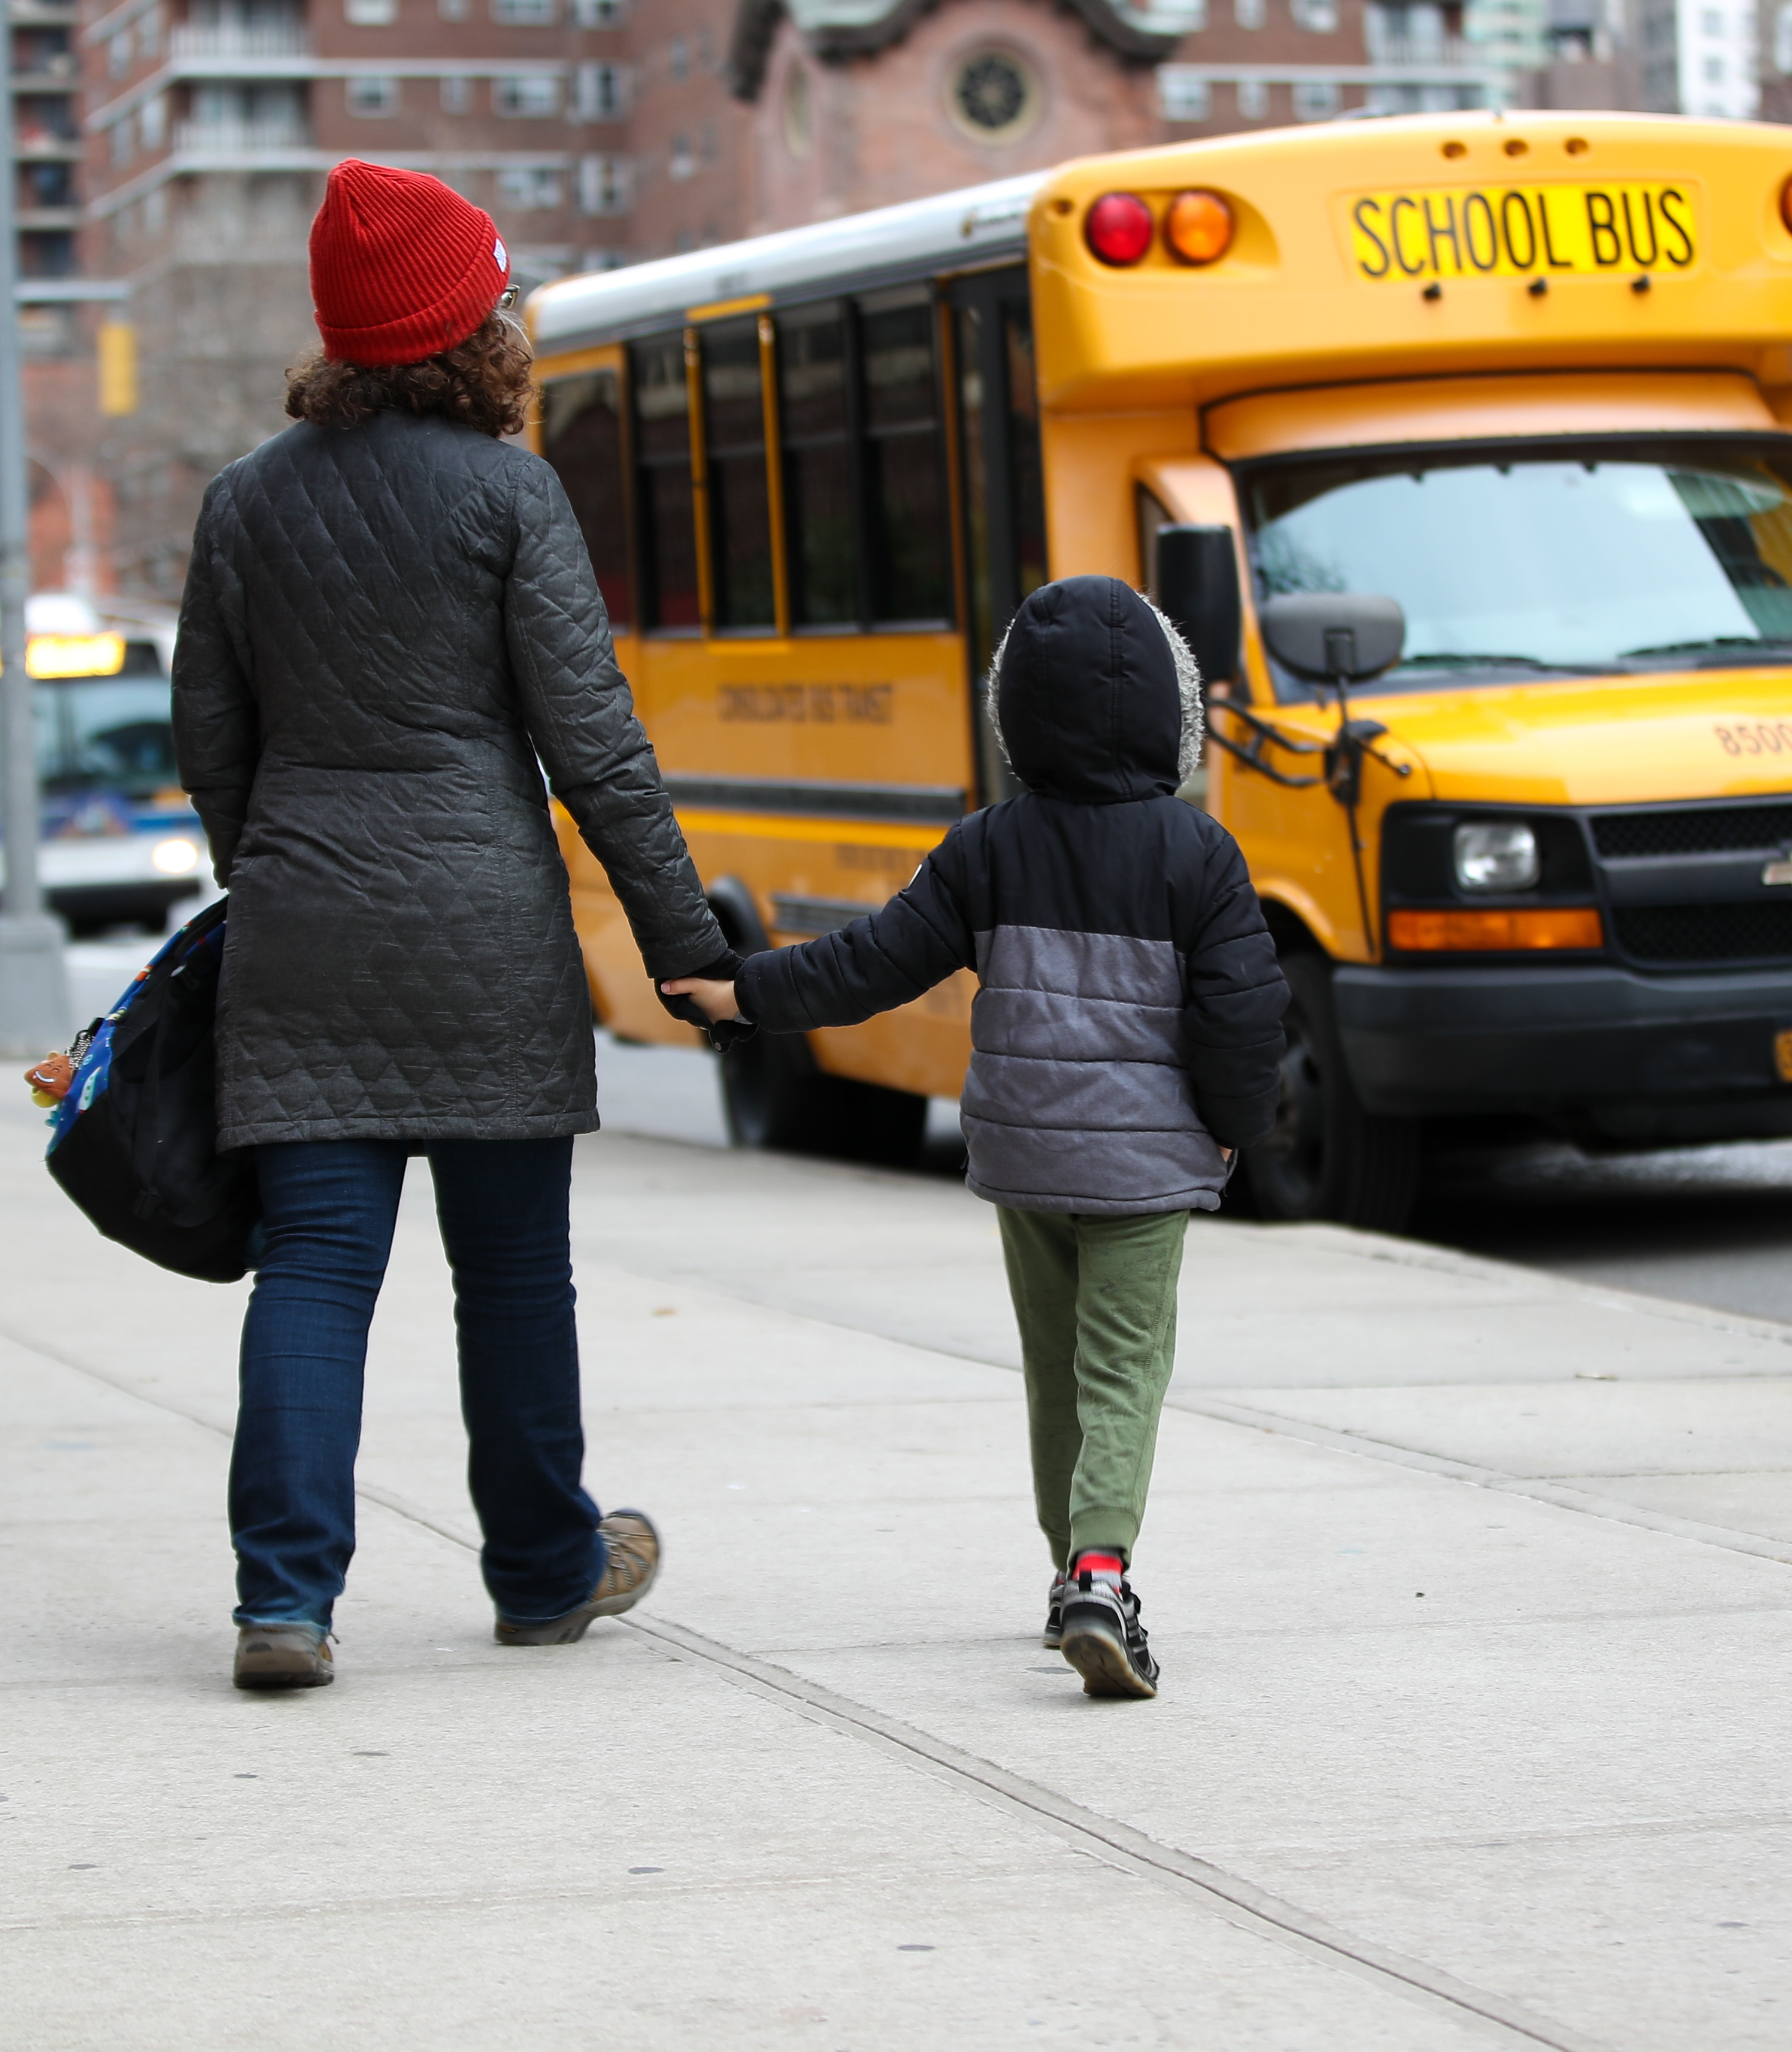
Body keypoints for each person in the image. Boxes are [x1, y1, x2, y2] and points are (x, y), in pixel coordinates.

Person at [171, 158, 737, 1693]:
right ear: (465, 331)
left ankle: (283, 1600)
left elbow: (209, 743)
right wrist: (686, 946)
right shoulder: (508, 495)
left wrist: (275, 864)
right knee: (511, 1275)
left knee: (313, 1272)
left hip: (301, 935)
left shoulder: (241, 504)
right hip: (483, 935)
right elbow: (594, 744)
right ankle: (547, 1569)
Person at [664, 577, 1286, 1699]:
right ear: (1170, 711)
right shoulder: (1200, 855)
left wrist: (742, 992)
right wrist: (1237, 1134)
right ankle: (1101, 1571)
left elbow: (867, 966)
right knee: (1123, 1369)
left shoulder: (985, 847)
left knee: (1056, 1371)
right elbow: (1243, 1021)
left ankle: (1068, 1571)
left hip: (1027, 1156)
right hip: (1146, 1164)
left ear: (1015, 714)